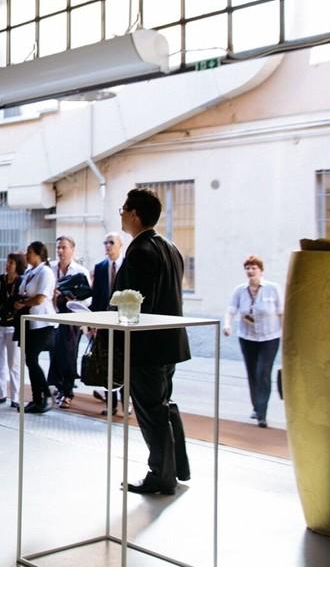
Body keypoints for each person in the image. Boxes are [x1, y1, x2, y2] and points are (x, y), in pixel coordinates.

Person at [115, 188, 191, 495]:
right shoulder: (170, 247)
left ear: (134, 214)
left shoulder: (140, 250)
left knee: (151, 410)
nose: (121, 213)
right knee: (162, 405)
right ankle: (176, 468)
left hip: (147, 346)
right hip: (169, 343)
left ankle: (161, 475)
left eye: (123, 209)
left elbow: (134, 302)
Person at [223, 255, 284, 428]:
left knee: (263, 372)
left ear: (261, 270)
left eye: (254, 268)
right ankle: (256, 407)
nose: (250, 271)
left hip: (269, 337)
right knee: (252, 372)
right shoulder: (240, 290)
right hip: (247, 338)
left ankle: (262, 414)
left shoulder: (273, 289)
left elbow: (281, 313)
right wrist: (227, 325)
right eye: (248, 268)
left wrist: (285, 334)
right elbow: (231, 310)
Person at [16, 242, 57, 413]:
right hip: (29, 321)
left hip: (42, 322)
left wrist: (23, 303)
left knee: (32, 359)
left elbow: (40, 298)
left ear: (39, 254)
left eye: (30, 252)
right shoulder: (29, 272)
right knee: (29, 360)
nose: (26, 255)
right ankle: (37, 399)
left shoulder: (45, 272)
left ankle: (46, 394)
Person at [48, 236, 90, 408]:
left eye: (64, 247)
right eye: (58, 247)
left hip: (72, 320)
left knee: (69, 354)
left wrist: (72, 300)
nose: (60, 251)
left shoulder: (80, 271)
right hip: (52, 317)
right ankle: (58, 388)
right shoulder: (50, 268)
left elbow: (88, 298)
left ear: (72, 249)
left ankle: (67, 391)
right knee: (54, 354)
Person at [90, 232, 127, 416]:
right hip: (104, 323)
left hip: (123, 322)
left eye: (111, 242)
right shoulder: (100, 267)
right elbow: (96, 297)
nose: (108, 246)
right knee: (106, 363)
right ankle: (110, 404)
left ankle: (126, 403)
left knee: (123, 363)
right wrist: (94, 323)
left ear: (120, 245)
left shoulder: (128, 265)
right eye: (105, 243)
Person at [0, 252, 26, 409]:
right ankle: (1, 393)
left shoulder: (22, 281)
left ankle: (16, 396)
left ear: (18, 265)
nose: (8, 265)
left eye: (11, 262)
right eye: (7, 262)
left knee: (14, 363)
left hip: (13, 326)